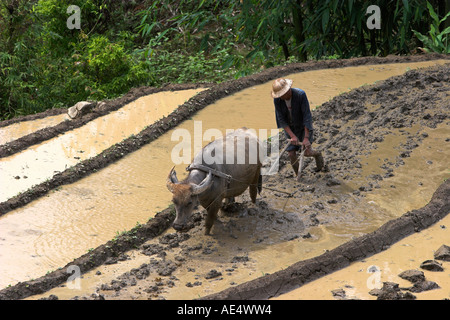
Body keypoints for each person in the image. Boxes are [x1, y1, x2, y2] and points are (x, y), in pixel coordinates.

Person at [271, 78, 324, 176]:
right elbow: (281, 119)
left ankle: (317, 154)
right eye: (279, 95)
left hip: (302, 126)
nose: (281, 97)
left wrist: (306, 138)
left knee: (307, 152)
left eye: (283, 94)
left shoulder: (300, 95)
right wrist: (292, 136)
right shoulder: (277, 100)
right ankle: (298, 174)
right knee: (291, 154)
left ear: (288, 90)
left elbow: (306, 116)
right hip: (290, 128)